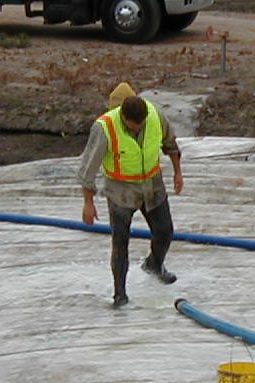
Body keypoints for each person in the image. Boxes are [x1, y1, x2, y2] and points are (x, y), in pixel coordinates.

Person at [78, 83, 183, 308]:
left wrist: (177, 173)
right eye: (133, 126)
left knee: (165, 231)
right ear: (122, 116)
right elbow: (88, 169)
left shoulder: (153, 115)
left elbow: (170, 143)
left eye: (140, 126)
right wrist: (88, 203)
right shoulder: (105, 128)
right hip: (120, 190)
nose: (137, 129)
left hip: (151, 184)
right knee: (121, 241)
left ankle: (154, 265)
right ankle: (120, 294)